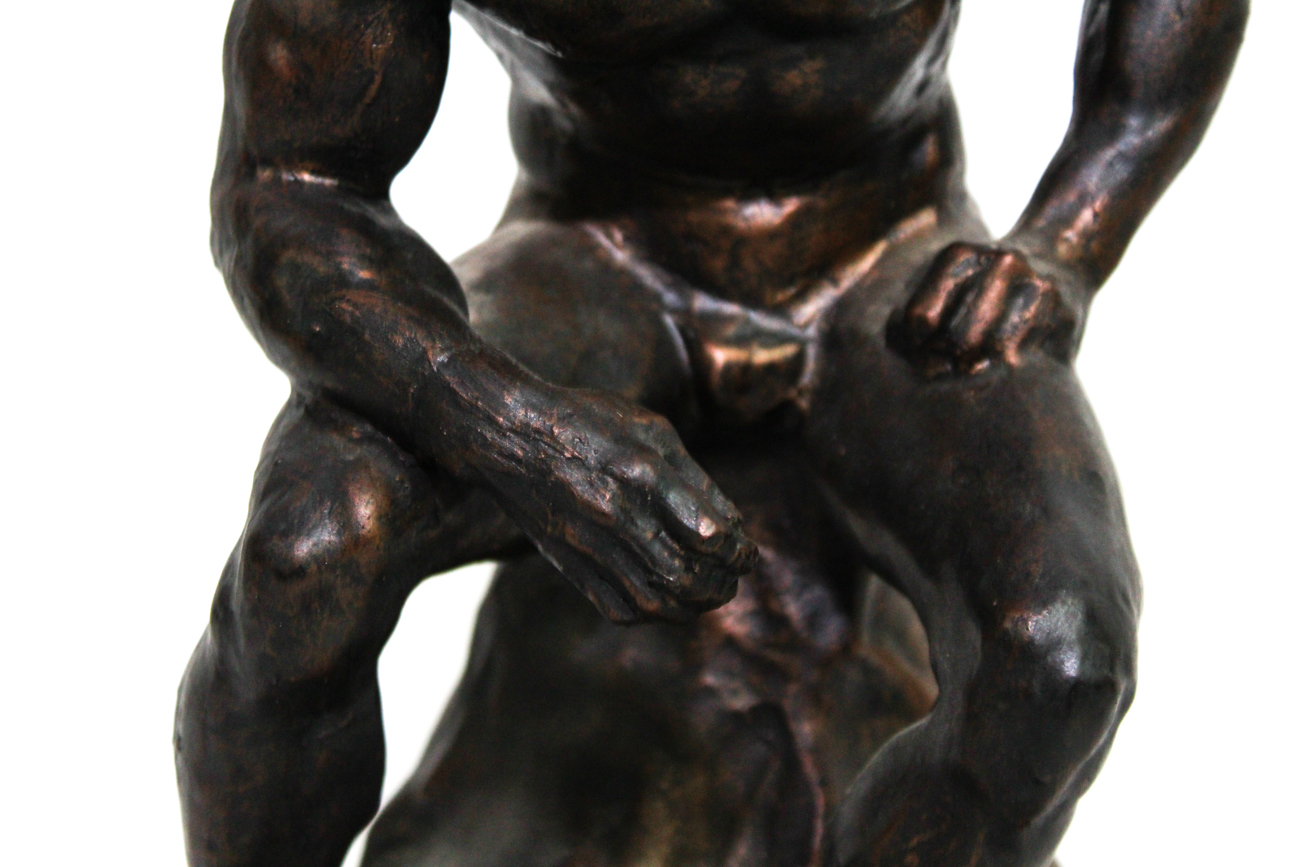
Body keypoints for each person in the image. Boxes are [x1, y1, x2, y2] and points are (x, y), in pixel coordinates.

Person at [174, 1, 1247, 864]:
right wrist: (521, 434)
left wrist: (1067, 238)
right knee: (308, 550)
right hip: (597, 252)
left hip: (887, 261)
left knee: (1060, 660)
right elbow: (291, 189)